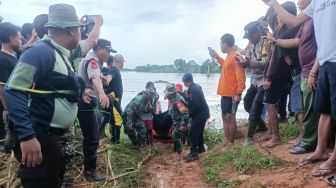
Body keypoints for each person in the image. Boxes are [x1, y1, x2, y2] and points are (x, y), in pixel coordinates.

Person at [4, 4, 83, 188]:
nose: (81, 32)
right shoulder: (41, 52)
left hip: (51, 137)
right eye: (80, 28)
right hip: (38, 136)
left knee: (52, 180)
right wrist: (27, 136)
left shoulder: (60, 55)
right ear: (71, 30)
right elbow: (14, 90)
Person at [263, 0, 336, 178]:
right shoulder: (316, 4)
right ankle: (320, 150)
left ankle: (334, 159)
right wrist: (274, 4)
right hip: (325, 61)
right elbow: (294, 21)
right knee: (324, 111)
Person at [267, 0, 319, 154]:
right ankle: (303, 137)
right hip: (304, 71)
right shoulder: (303, 25)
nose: (278, 18)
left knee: (300, 107)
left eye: (279, 15)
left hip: (303, 71)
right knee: (302, 107)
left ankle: (305, 138)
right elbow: (299, 41)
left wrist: (275, 41)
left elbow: (288, 60)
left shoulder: (291, 30)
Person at [77, 39, 115, 181]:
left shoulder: (90, 60)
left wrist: (102, 78)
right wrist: (102, 94)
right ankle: (90, 173)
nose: (108, 55)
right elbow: (93, 78)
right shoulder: (92, 60)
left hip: (85, 101)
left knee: (92, 135)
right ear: (98, 48)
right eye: (107, 51)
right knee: (92, 138)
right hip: (86, 103)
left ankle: (89, 169)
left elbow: (96, 76)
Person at [262, 1, 299, 148]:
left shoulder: (284, 32)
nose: (277, 17)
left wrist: (269, 77)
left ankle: (276, 136)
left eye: (279, 14)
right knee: (273, 103)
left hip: (278, 74)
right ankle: (273, 133)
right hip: (283, 74)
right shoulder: (285, 30)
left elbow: (277, 58)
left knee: (269, 103)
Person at [209, 33, 246, 145]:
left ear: (225, 43)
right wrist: (216, 57)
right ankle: (226, 142)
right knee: (224, 116)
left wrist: (239, 93)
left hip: (232, 94)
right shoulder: (229, 56)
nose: (220, 46)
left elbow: (241, 76)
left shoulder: (235, 56)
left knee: (230, 117)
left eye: (221, 43)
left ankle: (231, 143)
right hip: (225, 93)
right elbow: (226, 65)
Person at [239, 21, 269, 146]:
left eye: (251, 36)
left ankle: (249, 138)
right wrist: (242, 60)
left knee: (255, 107)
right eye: (248, 37)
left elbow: (266, 62)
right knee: (247, 104)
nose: (249, 39)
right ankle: (262, 125)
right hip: (255, 81)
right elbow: (248, 58)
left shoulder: (266, 43)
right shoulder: (251, 45)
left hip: (264, 80)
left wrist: (248, 63)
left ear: (257, 33)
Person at [0, 22, 21, 153]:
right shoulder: (2, 60)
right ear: (12, 38)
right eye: (18, 38)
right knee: (13, 130)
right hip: (10, 104)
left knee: (13, 132)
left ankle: (7, 148)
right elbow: (1, 86)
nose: (20, 41)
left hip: (16, 101)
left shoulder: (12, 56)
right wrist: (7, 108)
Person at [182, 73, 210, 161]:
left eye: (184, 82)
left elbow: (196, 105)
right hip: (204, 112)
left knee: (192, 133)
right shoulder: (197, 86)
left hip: (200, 114)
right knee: (199, 131)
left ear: (186, 81)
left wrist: (190, 114)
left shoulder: (191, 90)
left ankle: (194, 153)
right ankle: (201, 148)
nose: (183, 84)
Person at [101, 54, 124, 144]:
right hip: (114, 100)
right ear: (119, 62)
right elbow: (109, 77)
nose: (122, 65)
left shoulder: (109, 70)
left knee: (110, 118)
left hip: (113, 100)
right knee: (118, 119)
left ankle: (103, 134)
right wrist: (107, 79)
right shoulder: (114, 70)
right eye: (122, 62)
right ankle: (115, 141)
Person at [165, 84, 190, 155]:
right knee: (176, 136)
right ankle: (177, 150)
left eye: (168, 94)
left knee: (175, 135)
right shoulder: (174, 99)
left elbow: (185, 113)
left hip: (180, 121)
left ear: (172, 94)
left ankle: (180, 152)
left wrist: (183, 124)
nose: (167, 96)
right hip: (176, 121)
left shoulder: (178, 101)